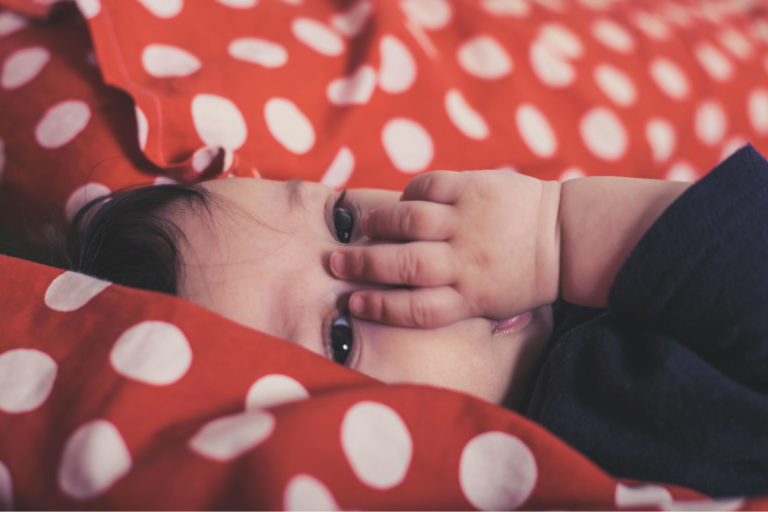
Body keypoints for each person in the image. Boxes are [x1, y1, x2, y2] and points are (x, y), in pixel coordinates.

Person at [65, 144, 768, 498]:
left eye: (343, 219)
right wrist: (550, 237)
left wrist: (562, 243)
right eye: (341, 338)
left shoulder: (592, 297)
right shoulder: (587, 421)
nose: (399, 255)